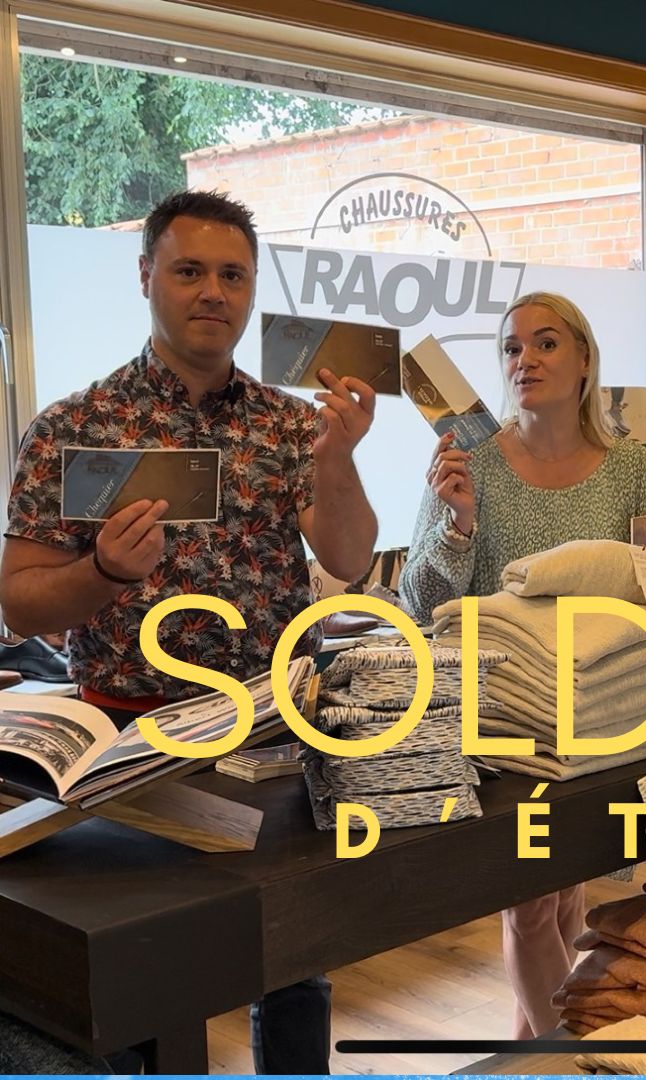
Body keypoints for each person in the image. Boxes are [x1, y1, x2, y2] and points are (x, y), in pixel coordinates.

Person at [0, 189, 378, 1074]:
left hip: (272, 730)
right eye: (190, 271)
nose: (213, 291)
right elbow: (20, 605)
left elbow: (350, 556)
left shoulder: (293, 424)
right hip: (131, 739)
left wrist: (338, 459)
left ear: (252, 291)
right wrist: (102, 572)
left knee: (292, 955)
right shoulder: (73, 429)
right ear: (146, 277)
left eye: (232, 275)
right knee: (152, 972)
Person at [399, 291, 646, 1040]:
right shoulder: (470, 464)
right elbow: (419, 602)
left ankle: (526, 1058)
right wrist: (458, 526)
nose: (526, 360)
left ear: (584, 360)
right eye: (512, 348)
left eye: (546, 343)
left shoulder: (632, 469)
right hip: (504, 714)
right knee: (527, 904)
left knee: (564, 897)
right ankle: (569, 1057)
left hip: (599, 713)